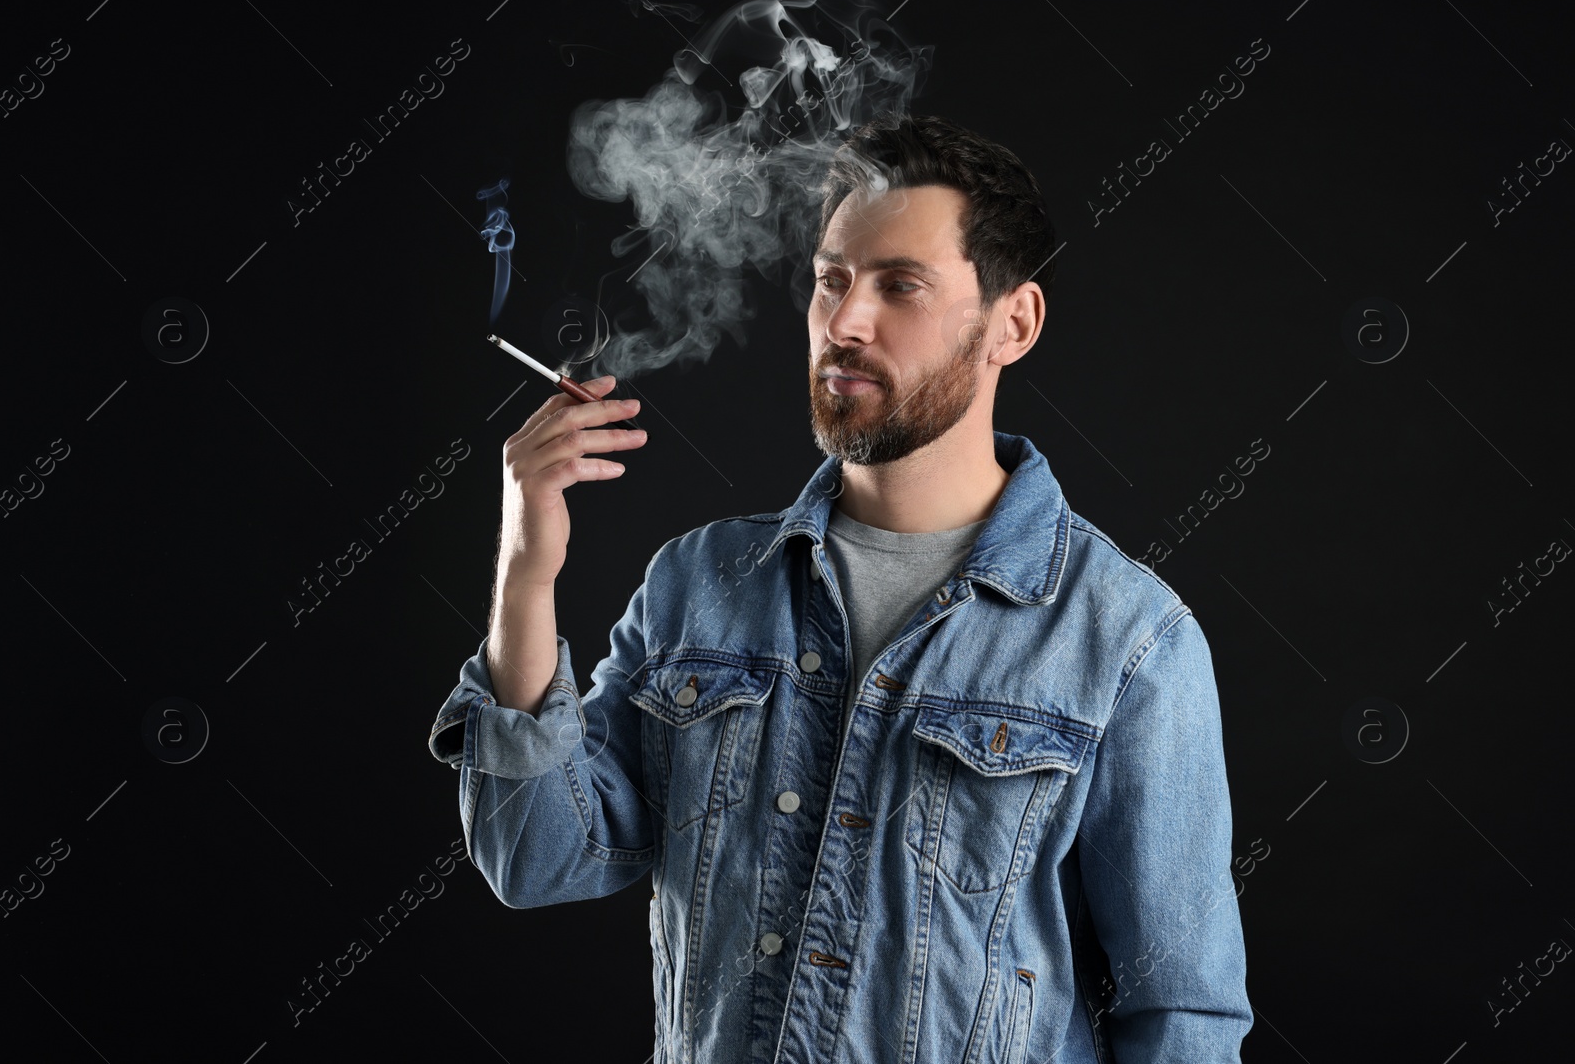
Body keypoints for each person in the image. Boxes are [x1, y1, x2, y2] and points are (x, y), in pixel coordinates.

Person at [428, 113, 1252, 1062]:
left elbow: (1181, 1016)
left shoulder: (1128, 641)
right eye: (831, 281)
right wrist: (526, 567)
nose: (845, 322)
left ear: (1011, 324)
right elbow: (535, 855)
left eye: (900, 285)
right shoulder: (697, 585)